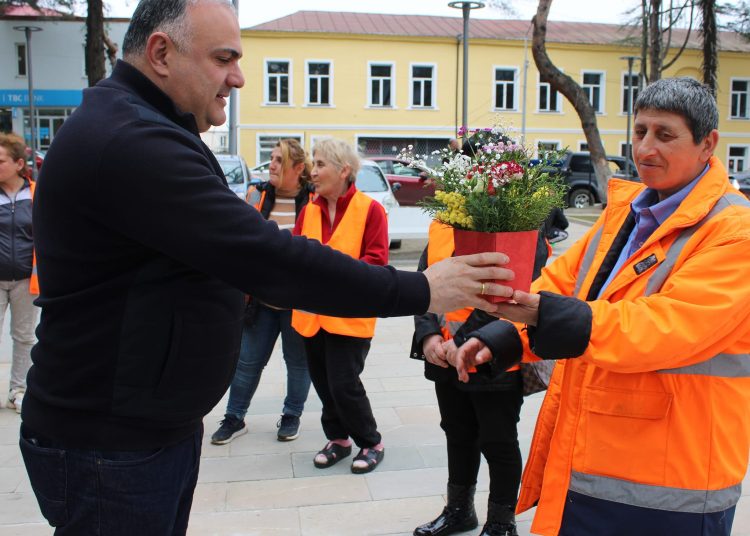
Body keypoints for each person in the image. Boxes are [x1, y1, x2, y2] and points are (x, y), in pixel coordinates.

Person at [20, 1, 517, 534]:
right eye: (223, 58)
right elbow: (268, 257)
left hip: (139, 428)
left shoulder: (145, 126)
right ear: (161, 53)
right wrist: (422, 290)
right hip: (110, 442)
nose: (237, 78)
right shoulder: (131, 139)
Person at [451, 78, 750, 536]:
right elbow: (562, 283)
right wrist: (504, 336)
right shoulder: (628, 213)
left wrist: (539, 315)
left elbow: (667, 327)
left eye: (664, 135)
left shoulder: (734, 231)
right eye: (640, 131)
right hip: (592, 459)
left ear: (707, 144)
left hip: (670, 484)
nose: (645, 148)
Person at [411, 220, 550, 536]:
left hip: (493, 358)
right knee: (457, 433)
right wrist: (428, 334)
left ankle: (501, 522)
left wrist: (462, 341)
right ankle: (459, 511)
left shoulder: (517, 220)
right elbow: (423, 283)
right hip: (445, 357)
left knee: (498, 441)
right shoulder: (442, 225)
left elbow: (516, 290)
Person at [292, 137, 388, 474]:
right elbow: (295, 256)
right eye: (313, 164)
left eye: (320, 164)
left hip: (350, 317)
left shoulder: (371, 210)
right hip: (311, 317)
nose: (313, 172)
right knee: (322, 382)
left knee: (344, 384)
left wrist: (330, 275)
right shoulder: (309, 209)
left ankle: (371, 442)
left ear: (344, 170)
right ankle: (338, 439)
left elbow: (376, 262)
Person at [210, 139, 313, 445]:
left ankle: (291, 415)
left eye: (280, 160)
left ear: (298, 168)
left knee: (298, 364)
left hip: (298, 302)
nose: (272, 165)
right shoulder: (256, 194)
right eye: (271, 158)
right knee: (247, 362)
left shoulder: (313, 200)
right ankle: (234, 417)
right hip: (260, 299)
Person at [0, 133, 38, 415]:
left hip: (26, 278)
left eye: (1, 161)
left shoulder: (35, 193)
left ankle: (18, 391)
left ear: (18, 164)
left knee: (24, 336)